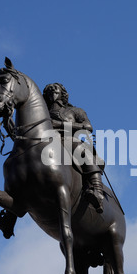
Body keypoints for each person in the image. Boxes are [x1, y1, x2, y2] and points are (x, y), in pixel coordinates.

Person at [43, 83, 105, 213]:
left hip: (68, 139)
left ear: (63, 93)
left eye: (55, 87)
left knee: (79, 149)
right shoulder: (41, 113)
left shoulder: (75, 111)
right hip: (46, 141)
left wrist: (59, 124)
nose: (52, 89)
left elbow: (88, 127)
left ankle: (97, 191)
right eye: (49, 89)